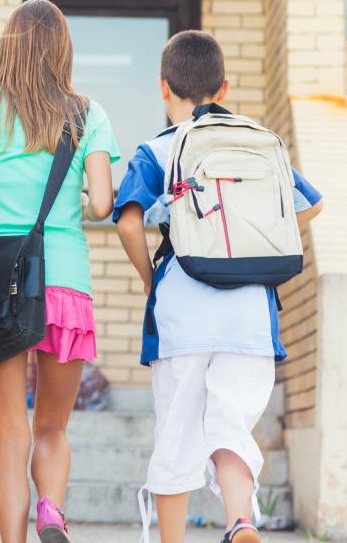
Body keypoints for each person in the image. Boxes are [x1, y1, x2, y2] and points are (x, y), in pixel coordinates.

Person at [115, 30, 322, 543]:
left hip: (183, 314)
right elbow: (312, 203)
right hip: (250, 314)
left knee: (177, 434)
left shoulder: (157, 148)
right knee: (231, 426)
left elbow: (126, 220)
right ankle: (240, 520)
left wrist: (149, 280)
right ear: (224, 88)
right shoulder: (260, 142)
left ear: (163, 89)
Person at [0, 0, 119, 543]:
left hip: (0, 284)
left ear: (10, 43)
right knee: (53, 426)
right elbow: (101, 203)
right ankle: (51, 510)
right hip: (66, 283)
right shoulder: (87, 113)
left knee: (11, 434)